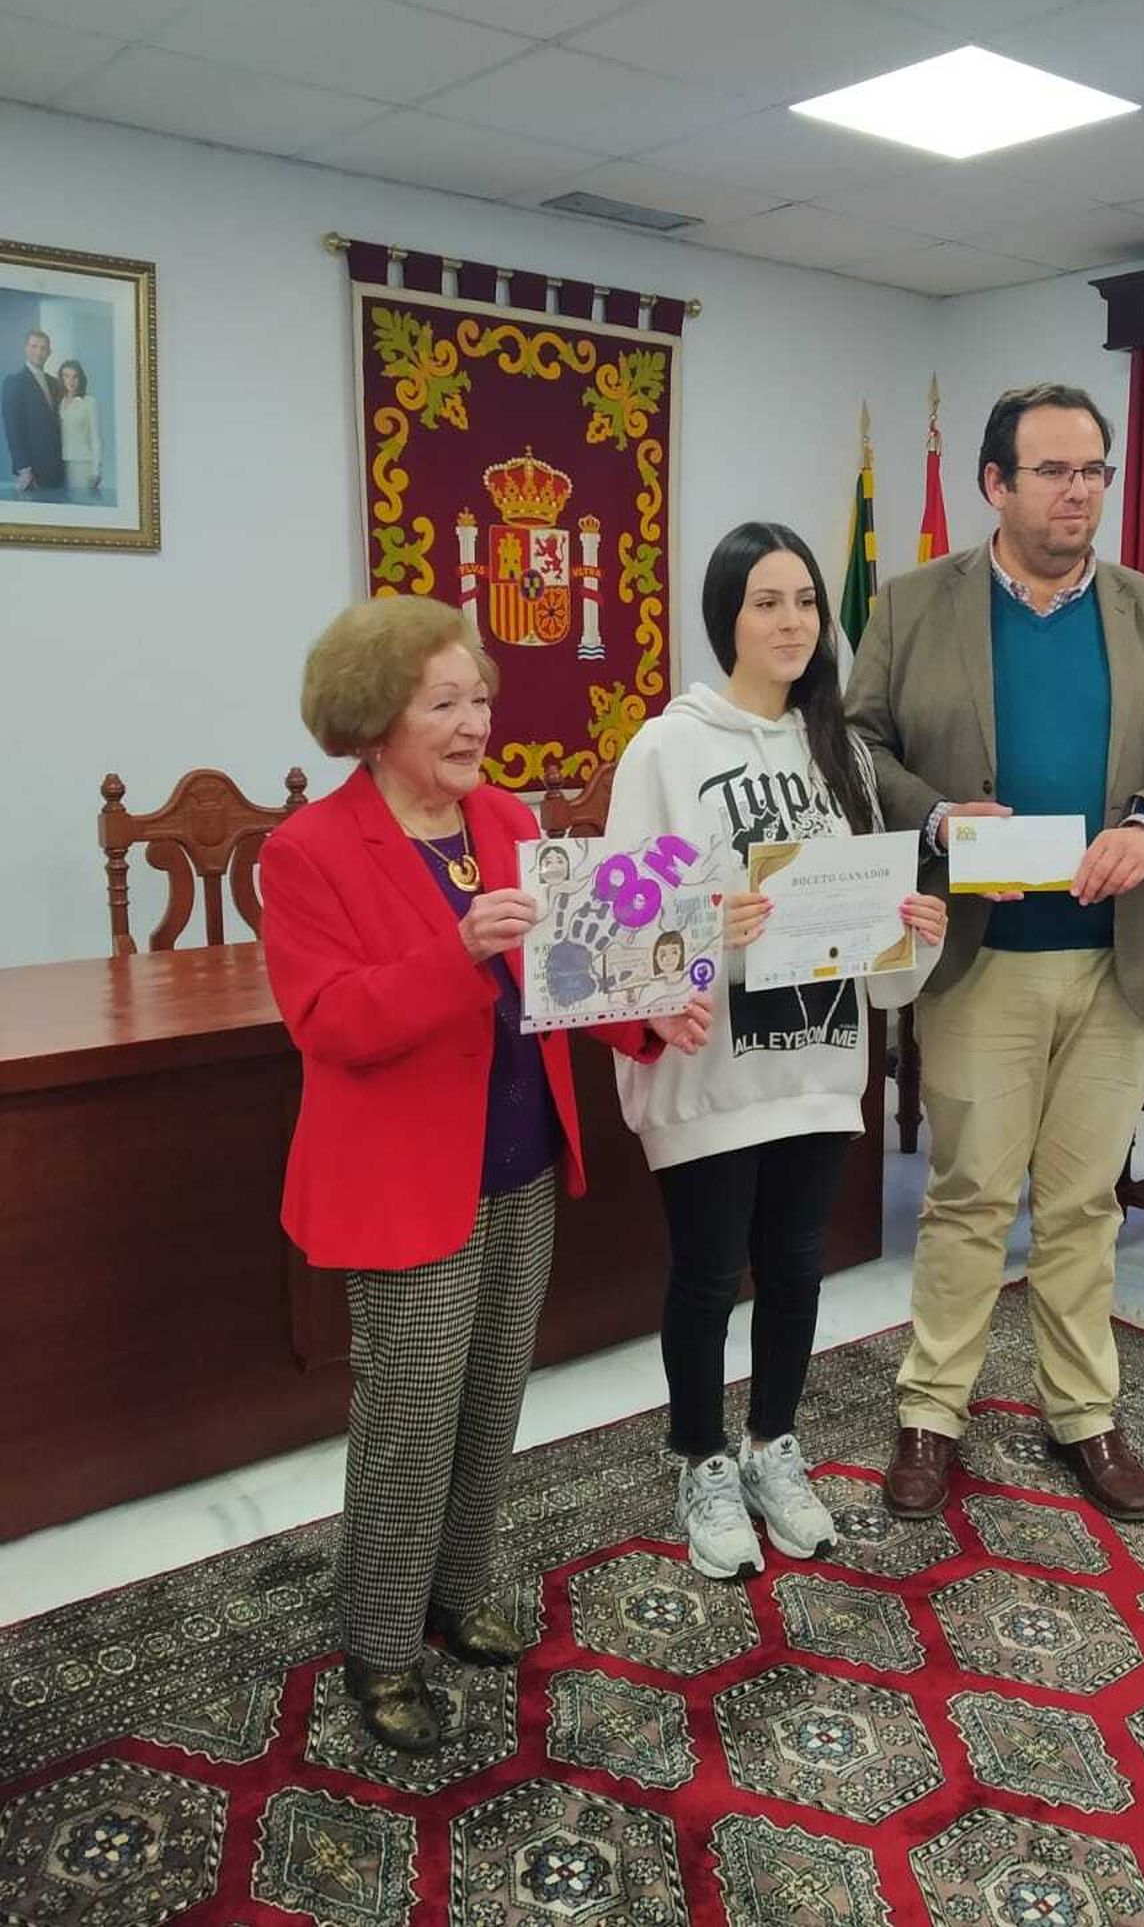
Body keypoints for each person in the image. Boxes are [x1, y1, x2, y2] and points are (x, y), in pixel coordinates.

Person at [260, 596, 709, 1755]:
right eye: (445, 704)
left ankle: (453, 1600)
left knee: (489, 1401)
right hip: (402, 1186)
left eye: (481, 700)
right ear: (373, 720)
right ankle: (380, 1648)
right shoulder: (308, 851)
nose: (475, 726)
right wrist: (455, 951)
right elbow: (331, 1022)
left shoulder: (507, 819)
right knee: (409, 1422)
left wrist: (655, 1015)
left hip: (518, 1166)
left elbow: (573, 974)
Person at [846, 384, 1144, 1525]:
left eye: (1095, 471)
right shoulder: (915, 605)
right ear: (996, 485)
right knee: (969, 1195)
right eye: (1055, 471)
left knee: (1081, 1204)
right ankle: (931, 1414)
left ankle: (1084, 1416)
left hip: (1118, 963)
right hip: (984, 958)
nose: (1080, 492)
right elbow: (861, 746)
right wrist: (934, 820)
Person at [606, 522, 947, 1580]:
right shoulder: (666, 750)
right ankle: (701, 1459)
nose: (793, 618)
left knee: (797, 1267)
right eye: (767, 600)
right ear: (726, 618)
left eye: (805, 598)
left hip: (814, 1059)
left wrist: (911, 936)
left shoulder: (839, 749)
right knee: (709, 1275)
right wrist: (714, 927)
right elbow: (620, 925)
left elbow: (864, 940)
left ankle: (773, 1447)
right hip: (715, 1069)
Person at [2, 327, 64, 496]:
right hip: (33, 470)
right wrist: (24, 468)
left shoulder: (54, 383)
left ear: (49, 352)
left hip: (58, 467)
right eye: (34, 346)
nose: (39, 352)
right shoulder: (14, 382)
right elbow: (12, 429)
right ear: (26, 348)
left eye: (43, 348)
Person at [56, 360, 102, 497]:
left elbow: (95, 437)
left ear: (80, 379)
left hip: (82, 464)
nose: (71, 381)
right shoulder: (58, 402)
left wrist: (96, 470)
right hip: (59, 464)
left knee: (81, 502)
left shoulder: (89, 402)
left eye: (75, 376)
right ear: (61, 378)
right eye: (66, 376)